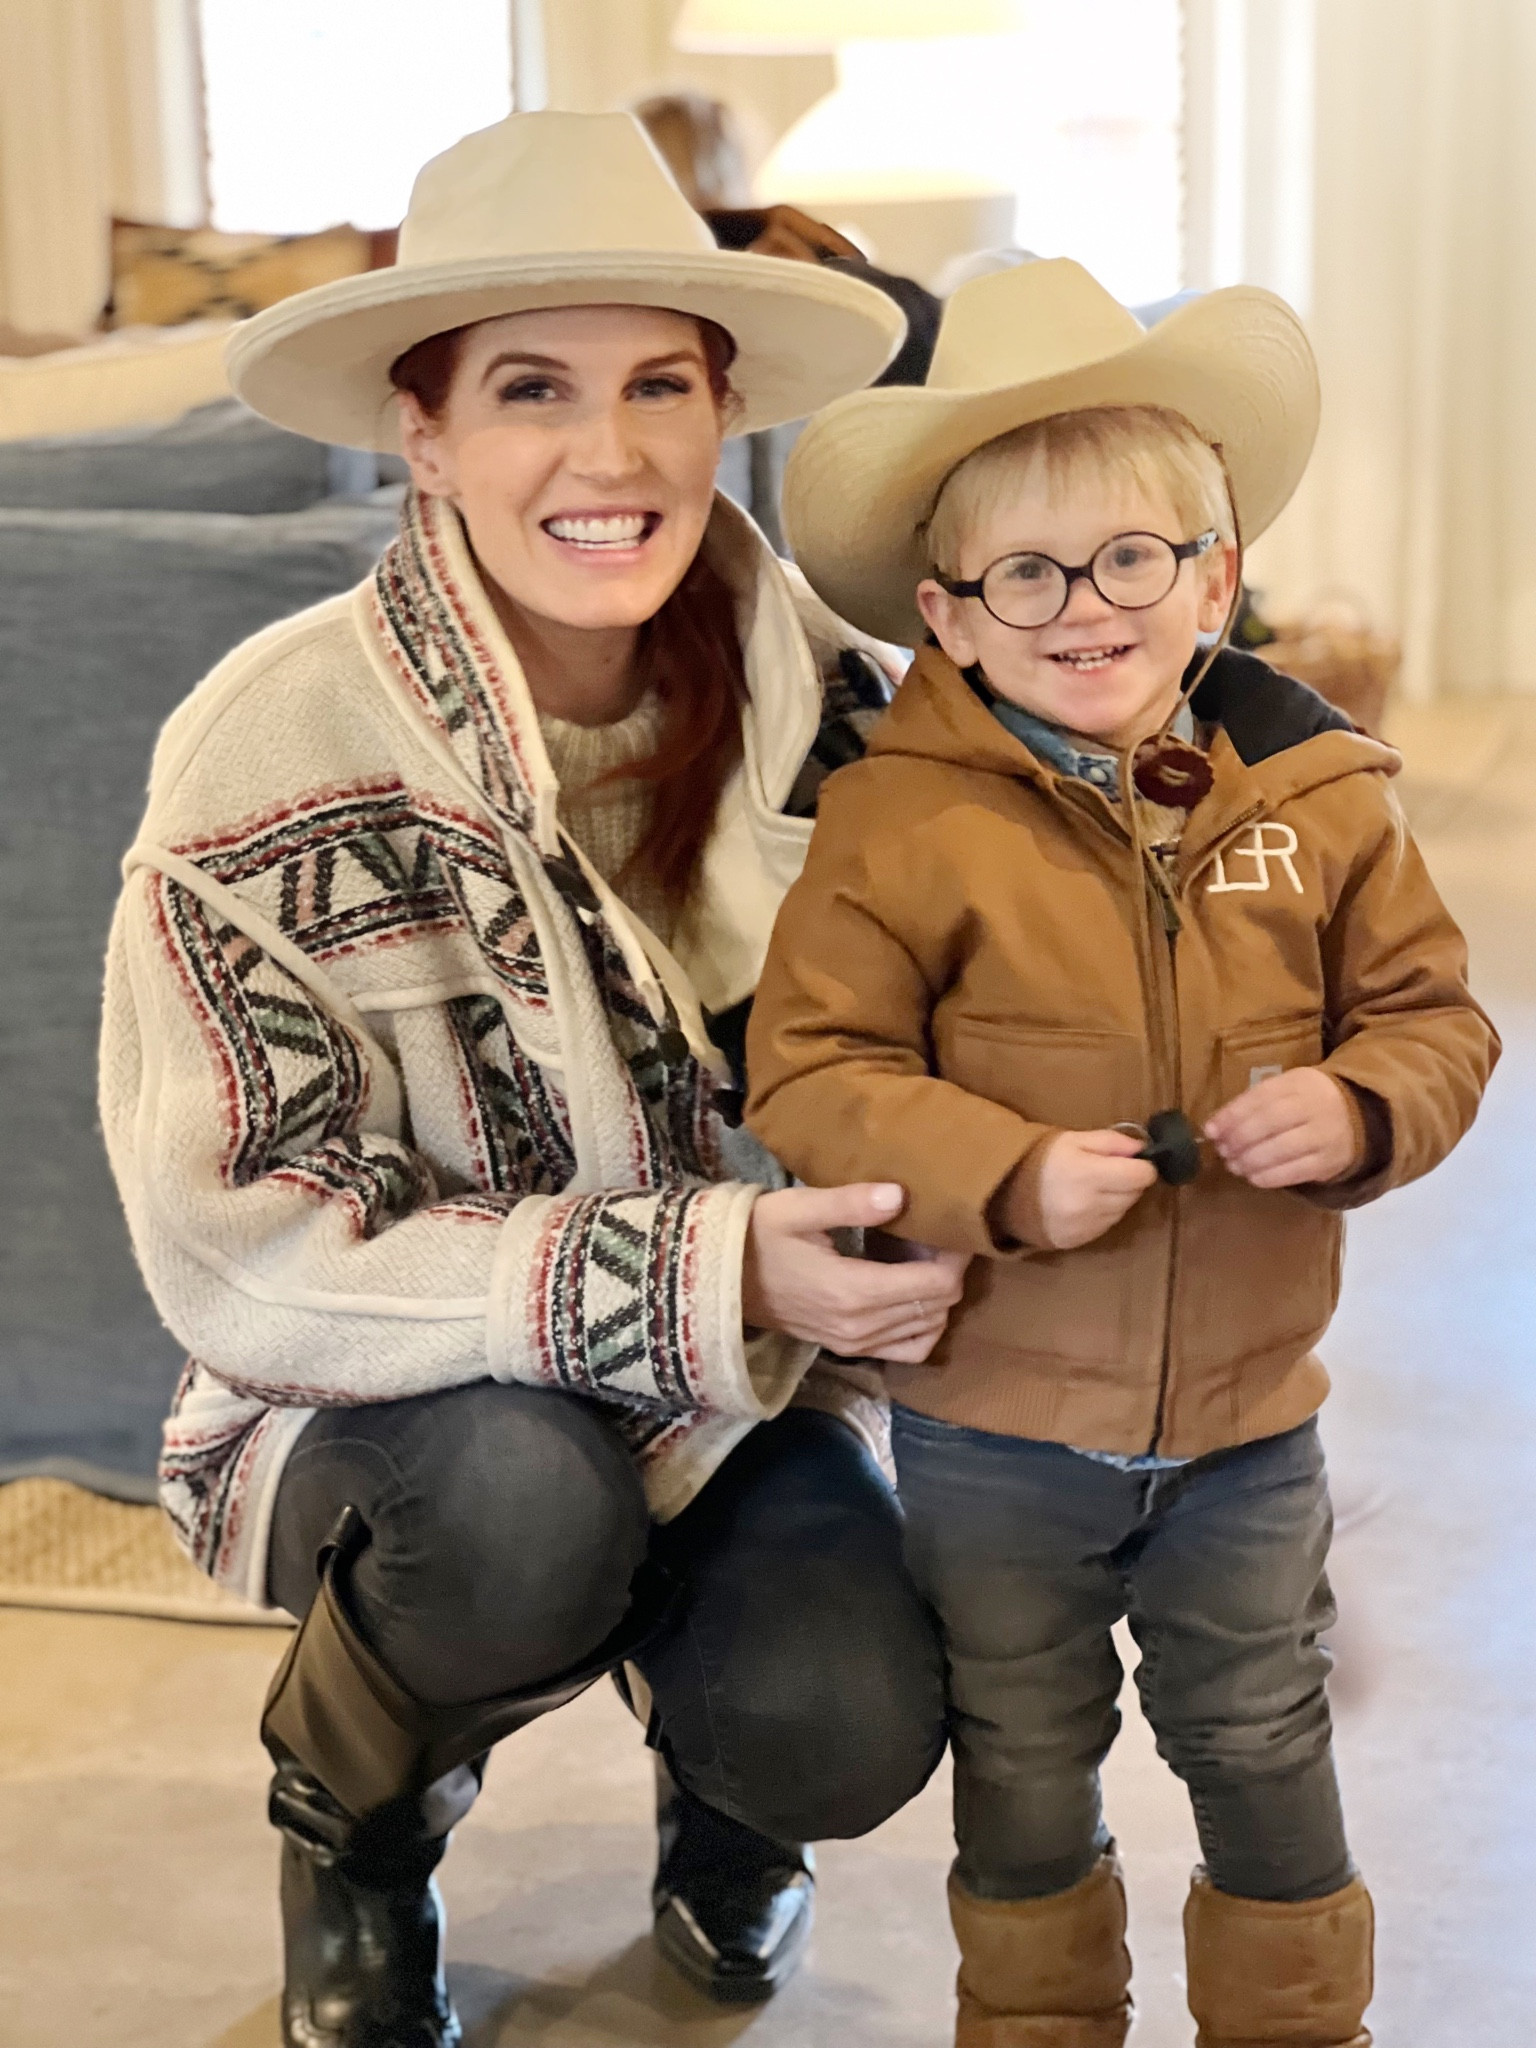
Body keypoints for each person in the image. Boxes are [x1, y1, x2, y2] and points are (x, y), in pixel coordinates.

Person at [100, 111, 966, 2048]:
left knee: (852, 1711)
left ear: (722, 402)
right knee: (519, 1509)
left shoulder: (850, 717)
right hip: (395, 1383)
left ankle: (728, 1802)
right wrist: (714, 1266)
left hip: (750, 1387)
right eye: (530, 390)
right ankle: (355, 1820)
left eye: (659, 380)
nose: (609, 449)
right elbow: (239, 1242)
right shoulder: (266, 750)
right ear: (426, 435)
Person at [744, 258, 1499, 2047]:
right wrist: (999, 1169)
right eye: (1027, 574)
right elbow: (816, 1066)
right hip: (998, 1424)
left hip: (1247, 1416)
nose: (1085, 609)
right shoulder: (895, 824)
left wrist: (1367, 1103)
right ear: (950, 616)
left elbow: (1442, 1020)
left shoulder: (1319, 802)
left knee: (1261, 1731)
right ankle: (1037, 2021)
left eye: (1134, 559)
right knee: (1021, 1744)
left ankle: (1298, 2020)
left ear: (1215, 577)